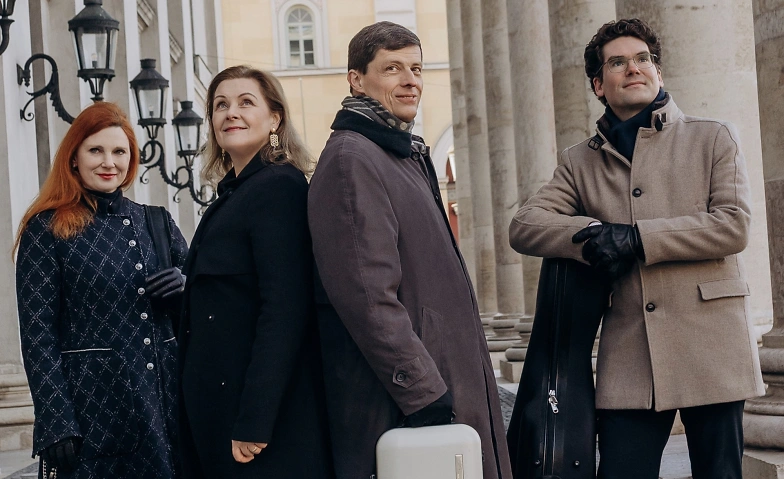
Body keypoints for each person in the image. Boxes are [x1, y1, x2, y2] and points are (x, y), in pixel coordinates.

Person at [509, 18, 764, 479]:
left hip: (712, 345)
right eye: (618, 62)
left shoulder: (713, 137)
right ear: (598, 84)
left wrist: (636, 237)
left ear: (658, 72)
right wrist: (595, 233)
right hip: (631, 351)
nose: (634, 68)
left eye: (643, 59)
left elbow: (732, 226)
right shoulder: (579, 161)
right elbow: (525, 225)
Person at [308, 21, 513, 479]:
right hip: (408, 402)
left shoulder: (398, 153)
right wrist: (422, 391)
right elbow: (367, 296)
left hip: (438, 381)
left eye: (416, 69)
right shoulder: (352, 159)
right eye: (392, 68)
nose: (410, 81)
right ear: (356, 79)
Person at [15, 102, 188, 478]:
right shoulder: (46, 230)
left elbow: (204, 311)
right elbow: (37, 334)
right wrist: (56, 420)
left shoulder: (156, 222)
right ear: (74, 158)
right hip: (94, 420)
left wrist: (186, 287)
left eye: (119, 152)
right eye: (96, 150)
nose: (109, 162)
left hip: (167, 411)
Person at [177, 65, 333, 478]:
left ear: (275, 118)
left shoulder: (278, 187)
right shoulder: (235, 193)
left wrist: (255, 419)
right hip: (220, 411)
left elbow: (285, 309)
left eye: (246, 102)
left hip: (257, 425)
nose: (231, 112)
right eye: (220, 105)